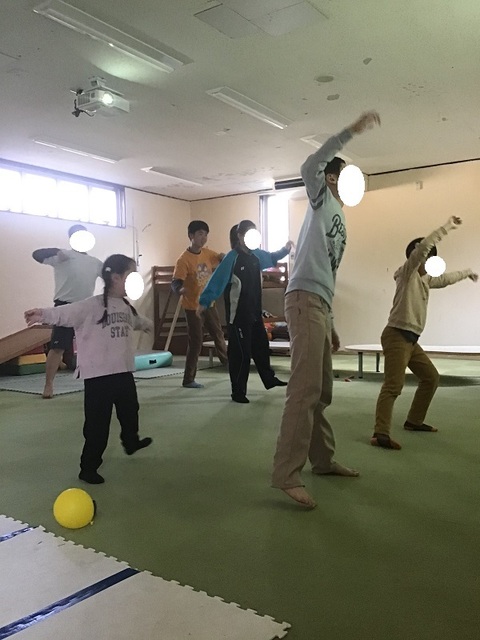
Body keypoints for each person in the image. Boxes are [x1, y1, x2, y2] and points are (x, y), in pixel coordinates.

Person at [271, 111, 381, 509]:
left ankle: (322, 461)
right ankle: (286, 474)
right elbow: (309, 166)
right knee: (304, 389)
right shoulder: (321, 199)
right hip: (302, 299)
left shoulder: (341, 221)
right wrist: (350, 131)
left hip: (319, 303)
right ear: (332, 178)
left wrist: (331, 323)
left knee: (322, 391)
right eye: (344, 176)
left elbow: (328, 272)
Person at [25, 254, 153, 484]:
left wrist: (147, 325)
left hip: (123, 373)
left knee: (130, 411)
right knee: (97, 426)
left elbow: (136, 321)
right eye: (131, 275)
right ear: (116, 278)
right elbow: (64, 313)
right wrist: (41, 314)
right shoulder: (91, 306)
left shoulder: (126, 307)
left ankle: (131, 442)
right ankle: (88, 467)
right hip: (98, 378)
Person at [371, 216, 478, 450]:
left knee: (431, 378)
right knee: (393, 385)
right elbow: (423, 247)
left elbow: (446, 279)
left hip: (411, 341)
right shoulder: (407, 273)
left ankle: (414, 421)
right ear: (418, 257)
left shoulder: (425, 279)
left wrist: (467, 272)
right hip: (397, 335)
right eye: (426, 256)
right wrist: (448, 226)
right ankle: (380, 433)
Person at [198, 220, 292, 403]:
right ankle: (238, 392)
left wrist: (286, 249)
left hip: (255, 313)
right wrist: (205, 301)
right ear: (240, 236)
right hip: (238, 316)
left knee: (261, 347)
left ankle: (269, 379)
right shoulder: (232, 258)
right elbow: (217, 280)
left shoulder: (257, 256)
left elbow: (272, 257)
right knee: (241, 354)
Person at [32, 224, 103, 399]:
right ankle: (48, 385)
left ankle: (95, 381)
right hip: (64, 306)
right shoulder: (62, 256)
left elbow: (110, 278)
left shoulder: (95, 262)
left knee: (92, 347)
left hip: (86, 307)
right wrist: (56, 251)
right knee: (58, 347)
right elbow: (36, 254)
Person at [171, 220, 228, 389]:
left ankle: (229, 365)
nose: (204, 238)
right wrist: (180, 289)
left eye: (206, 234)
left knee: (218, 334)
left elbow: (222, 260)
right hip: (193, 307)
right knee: (196, 341)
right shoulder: (183, 260)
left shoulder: (208, 253)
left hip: (209, 304)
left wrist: (224, 257)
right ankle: (188, 379)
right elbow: (175, 281)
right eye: (200, 234)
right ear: (191, 236)